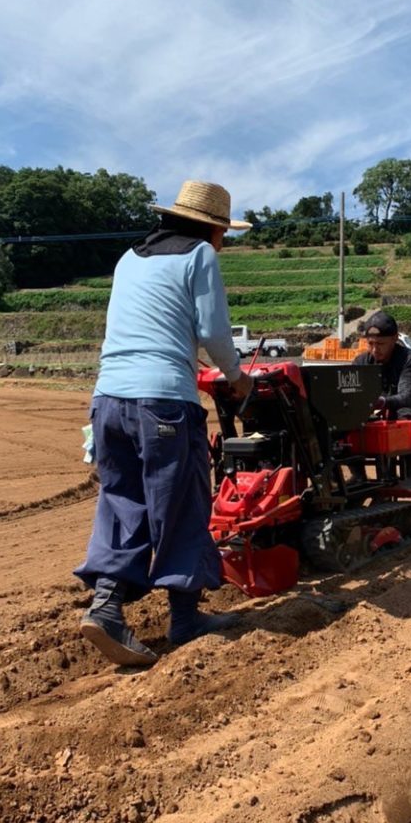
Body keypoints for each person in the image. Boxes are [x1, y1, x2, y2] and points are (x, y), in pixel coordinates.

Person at [75, 180, 254, 668]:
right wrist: (237, 379)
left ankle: (107, 606)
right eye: (223, 232)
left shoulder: (129, 258)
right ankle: (186, 620)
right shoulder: (200, 256)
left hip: (108, 400)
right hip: (164, 404)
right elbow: (214, 332)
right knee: (182, 505)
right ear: (212, 228)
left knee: (122, 503)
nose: (222, 242)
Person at [352, 310, 411, 492]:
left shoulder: (407, 359)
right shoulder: (361, 361)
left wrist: (379, 402)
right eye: (370, 344)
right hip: (377, 413)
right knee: (343, 426)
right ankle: (358, 476)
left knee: (406, 418)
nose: (374, 349)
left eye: (380, 344)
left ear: (395, 339)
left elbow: (405, 397)